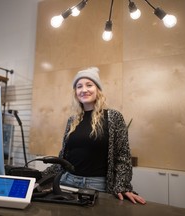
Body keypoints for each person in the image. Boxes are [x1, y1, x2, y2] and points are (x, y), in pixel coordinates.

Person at [42, 67, 146, 204]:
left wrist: (122, 186)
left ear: (98, 89)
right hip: (66, 181)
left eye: (89, 85)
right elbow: (64, 155)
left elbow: (123, 155)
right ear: (75, 92)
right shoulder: (72, 120)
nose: (84, 90)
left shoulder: (114, 117)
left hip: (97, 186)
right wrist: (42, 175)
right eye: (79, 86)